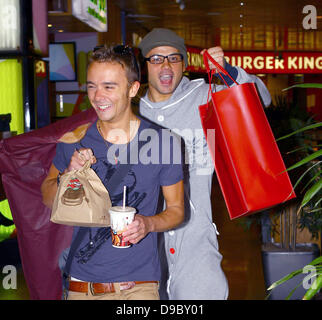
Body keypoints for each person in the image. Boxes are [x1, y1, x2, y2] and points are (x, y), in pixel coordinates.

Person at [41, 45, 185, 300]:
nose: (97, 96)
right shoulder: (74, 140)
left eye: (109, 87)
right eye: (92, 86)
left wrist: (148, 223)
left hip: (137, 287)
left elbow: (176, 211)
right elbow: (47, 198)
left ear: (132, 89)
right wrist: (69, 177)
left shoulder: (164, 143)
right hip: (81, 287)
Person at [138, 28, 272, 300]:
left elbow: (260, 99)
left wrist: (228, 72)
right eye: (156, 59)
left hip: (194, 234)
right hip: (142, 238)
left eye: (174, 58)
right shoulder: (131, 108)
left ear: (184, 64)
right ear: (145, 66)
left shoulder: (204, 94)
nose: (165, 65)